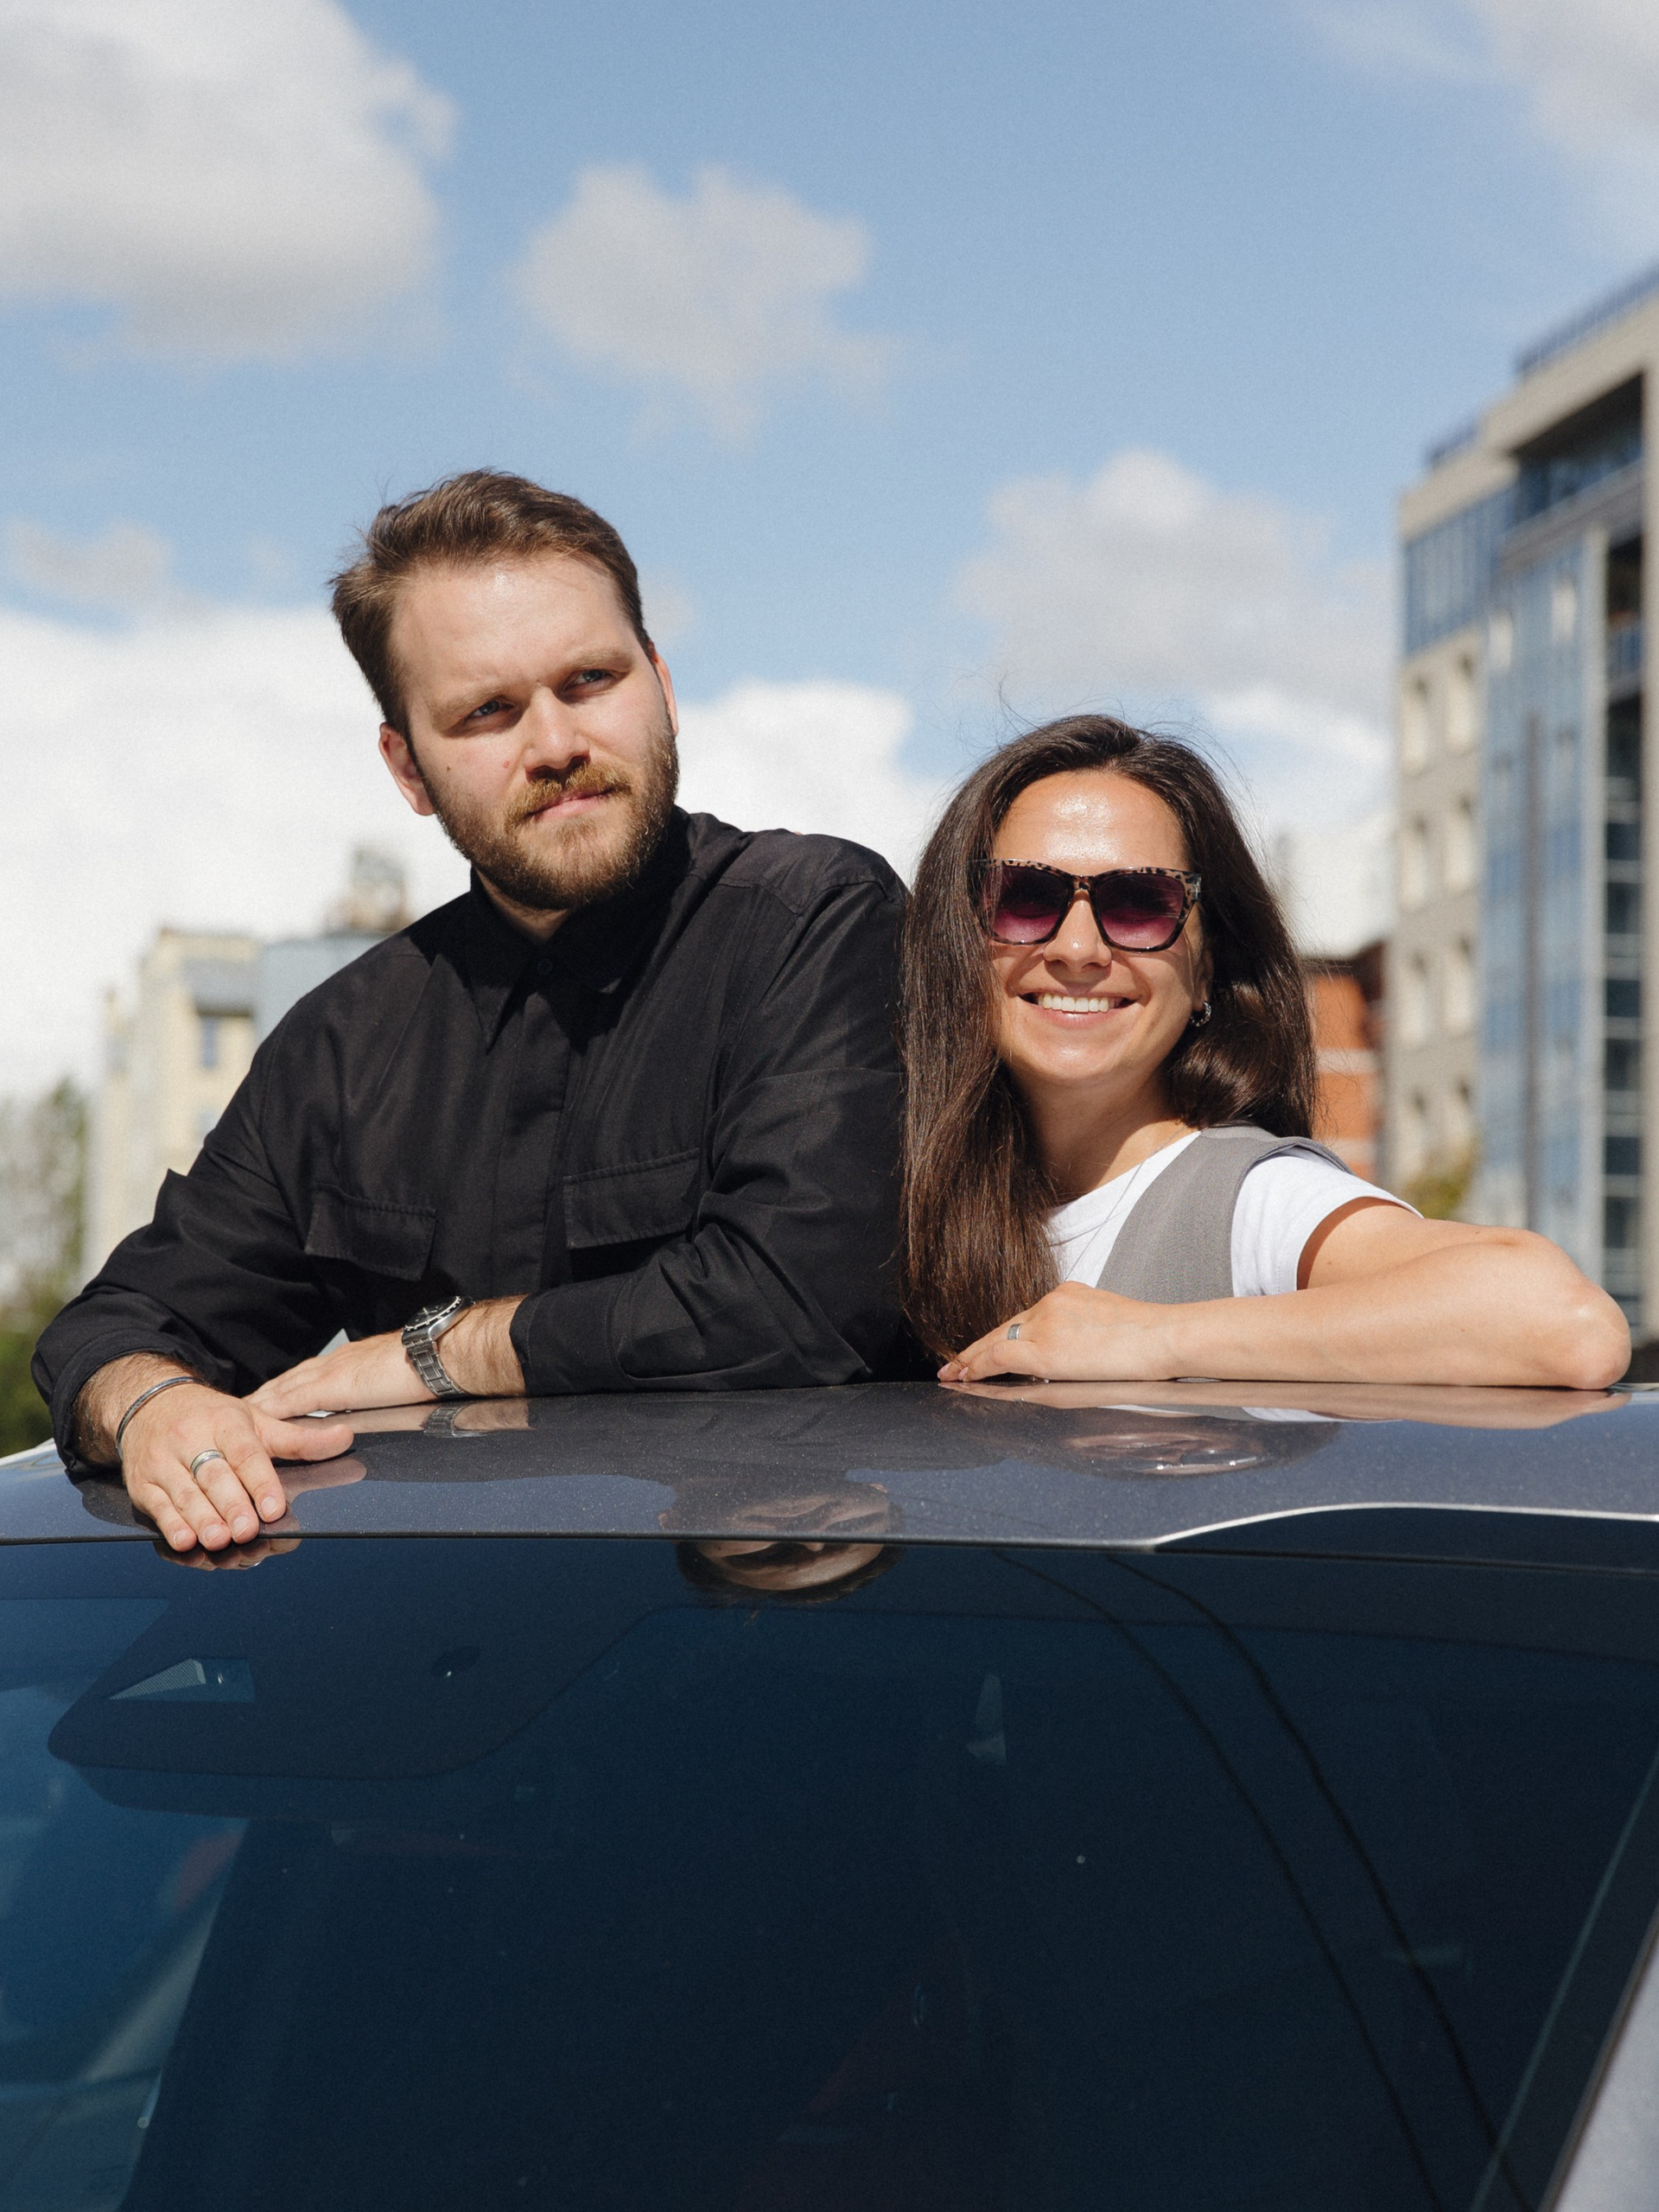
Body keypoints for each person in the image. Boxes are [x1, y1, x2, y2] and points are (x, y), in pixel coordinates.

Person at [35, 471, 910, 1553]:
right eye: (487, 712)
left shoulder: (813, 922)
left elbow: (797, 1299)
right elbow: (120, 1324)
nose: (555, 743)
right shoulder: (344, 1044)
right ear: (407, 767)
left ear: (663, 687)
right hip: (443, 1648)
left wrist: (434, 1353)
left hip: (774, 1635)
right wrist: (156, 1408)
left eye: (590, 680)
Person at [899, 716, 1630, 1390]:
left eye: (1139, 904)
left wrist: (1154, 1338)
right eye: (1024, 896)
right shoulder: (900, 1206)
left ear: (1206, 971)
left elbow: (1565, 1323)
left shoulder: (1250, 1200)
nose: (1078, 948)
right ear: (954, 940)